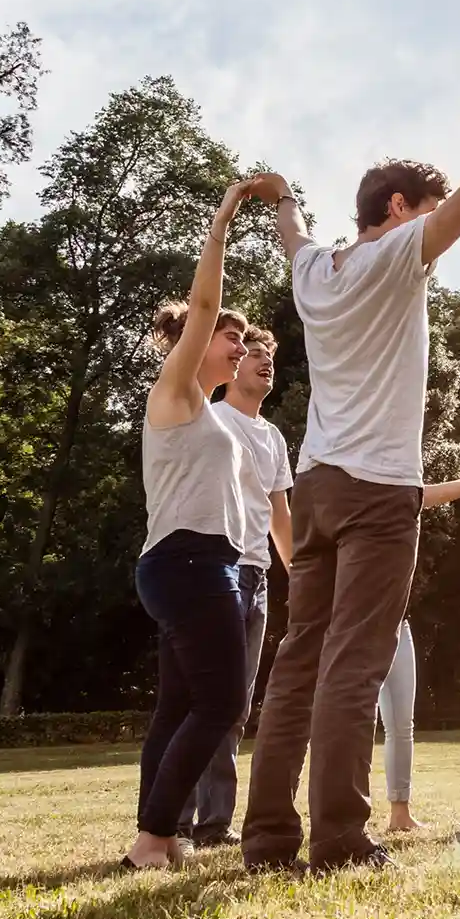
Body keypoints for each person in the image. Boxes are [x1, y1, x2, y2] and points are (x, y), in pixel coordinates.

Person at [239, 70, 460, 876]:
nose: (439, 227)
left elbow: (293, 231)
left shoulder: (315, 272)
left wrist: (278, 197)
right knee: (354, 660)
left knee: (300, 655)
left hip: (317, 488)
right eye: (429, 209)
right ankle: (339, 839)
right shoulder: (398, 256)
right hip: (378, 490)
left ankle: (267, 837)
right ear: (402, 209)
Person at [126, 179, 261, 870]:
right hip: (188, 562)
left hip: (194, 563)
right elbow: (204, 303)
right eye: (228, 337)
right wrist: (224, 217)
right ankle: (154, 836)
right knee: (222, 701)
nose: (237, 345)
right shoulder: (174, 386)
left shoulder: (206, 412)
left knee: (179, 705)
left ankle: (159, 833)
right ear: (193, 341)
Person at [176, 327, 296, 849]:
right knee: (199, 700)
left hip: (257, 577)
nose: (264, 361)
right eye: (253, 353)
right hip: (212, 570)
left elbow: (280, 515)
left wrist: (300, 576)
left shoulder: (272, 437)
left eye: (270, 355)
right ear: (232, 363)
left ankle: (213, 825)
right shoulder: (210, 417)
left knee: (237, 707)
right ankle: (172, 818)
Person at [376, 449, 460, 834]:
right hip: (357, 630)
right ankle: (344, 814)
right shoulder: (352, 500)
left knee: (402, 724)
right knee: (356, 722)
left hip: (398, 627)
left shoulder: (408, 495)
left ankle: (399, 813)